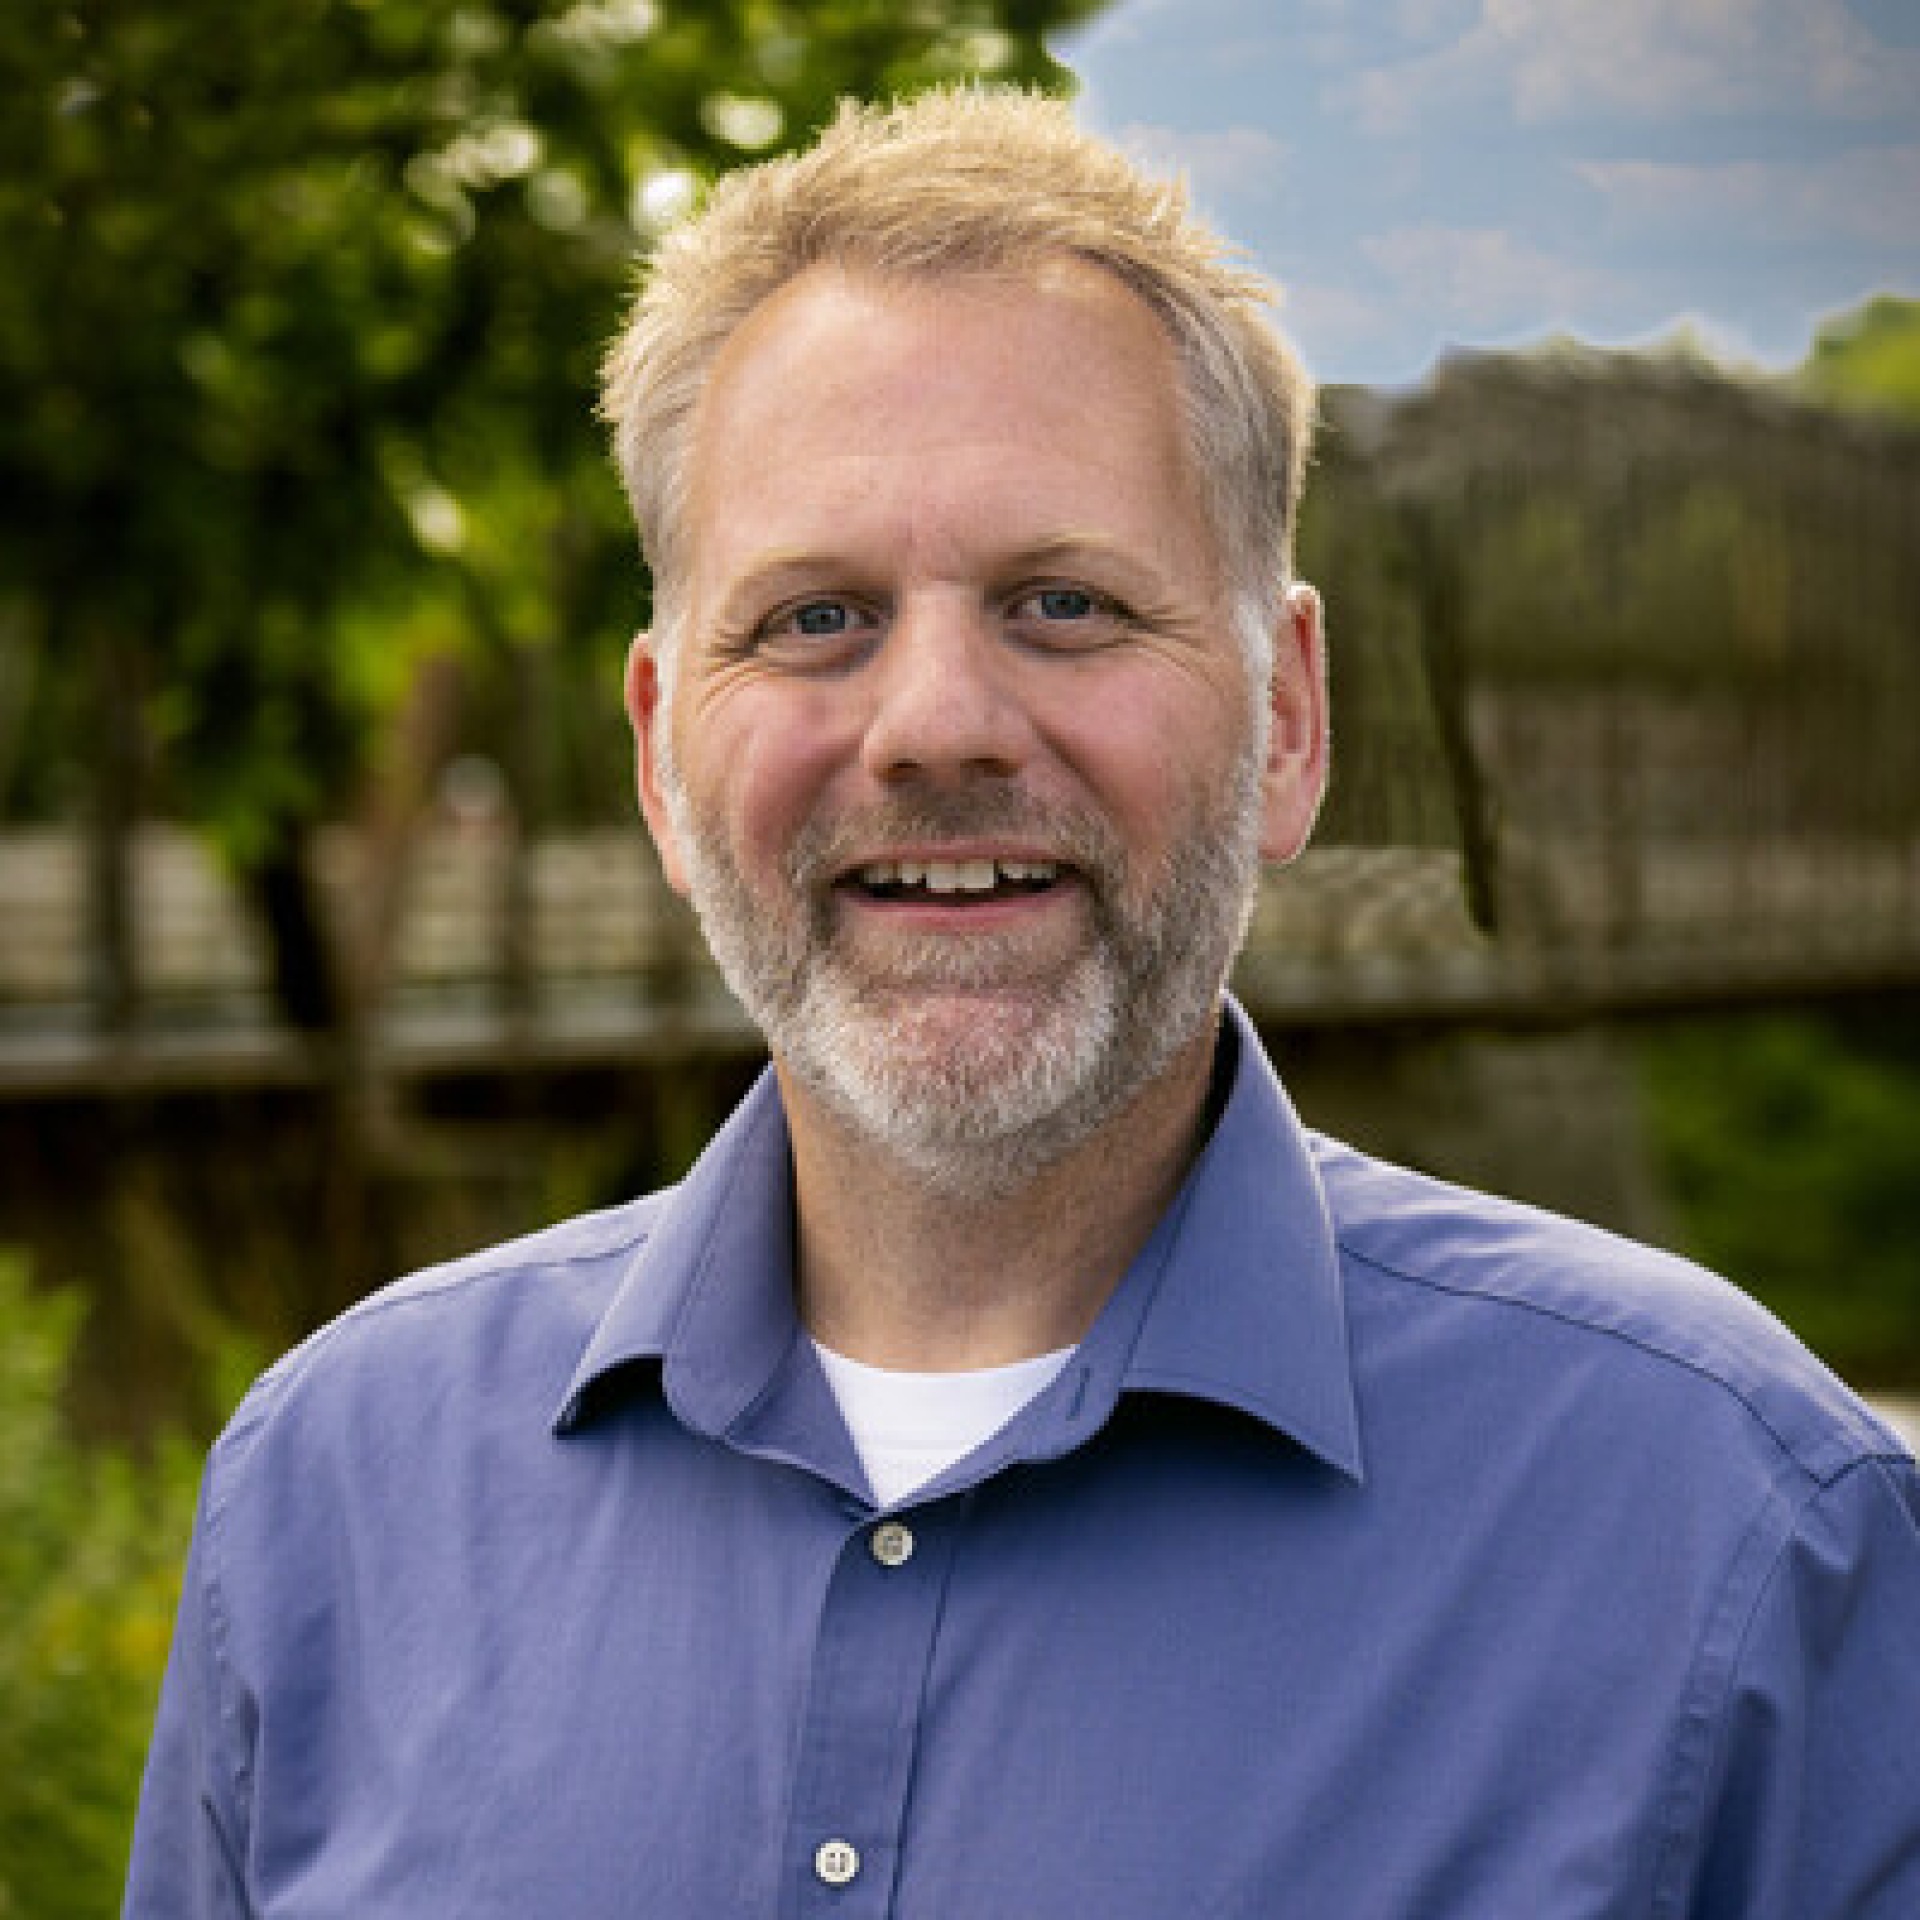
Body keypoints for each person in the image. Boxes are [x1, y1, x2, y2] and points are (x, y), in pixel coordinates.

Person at [126, 89, 1919, 1918]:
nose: (936, 727)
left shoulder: (1742, 1534)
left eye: (1062, 602)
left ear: (1290, 720)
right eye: (813, 618)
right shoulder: (331, 1493)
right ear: (663, 757)